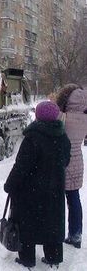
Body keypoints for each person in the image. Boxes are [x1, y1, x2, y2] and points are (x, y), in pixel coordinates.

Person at [4, 101, 71, 268]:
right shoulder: (62, 136)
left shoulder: (33, 137)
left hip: (30, 191)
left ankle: (27, 259)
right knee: (53, 224)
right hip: (54, 190)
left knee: (27, 224)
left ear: (38, 116)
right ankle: (53, 258)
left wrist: (10, 185)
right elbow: (66, 161)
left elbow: (21, 166)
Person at [55, 84, 87, 249]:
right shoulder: (85, 118)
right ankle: (76, 234)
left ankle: (56, 234)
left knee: (57, 201)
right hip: (77, 163)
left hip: (62, 162)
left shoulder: (62, 117)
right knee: (74, 199)